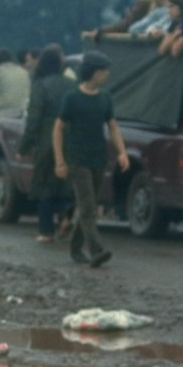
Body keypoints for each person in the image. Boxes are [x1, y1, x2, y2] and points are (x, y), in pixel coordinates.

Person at [53, 51, 129, 268]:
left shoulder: (105, 97)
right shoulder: (72, 99)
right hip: (77, 160)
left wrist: (122, 152)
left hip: (98, 158)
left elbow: (112, 126)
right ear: (93, 72)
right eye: (103, 70)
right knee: (88, 207)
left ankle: (76, 248)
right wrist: (60, 161)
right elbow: (58, 129)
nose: (106, 74)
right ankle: (96, 250)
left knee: (88, 205)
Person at [19, 45, 77, 243]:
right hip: (70, 137)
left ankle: (46, 231)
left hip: (46, 138)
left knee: (44, 183)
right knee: (65, 181)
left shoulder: (40, 86)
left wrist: (23, 147)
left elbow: (33, 120)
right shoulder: (71, 84)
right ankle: (66, 214)